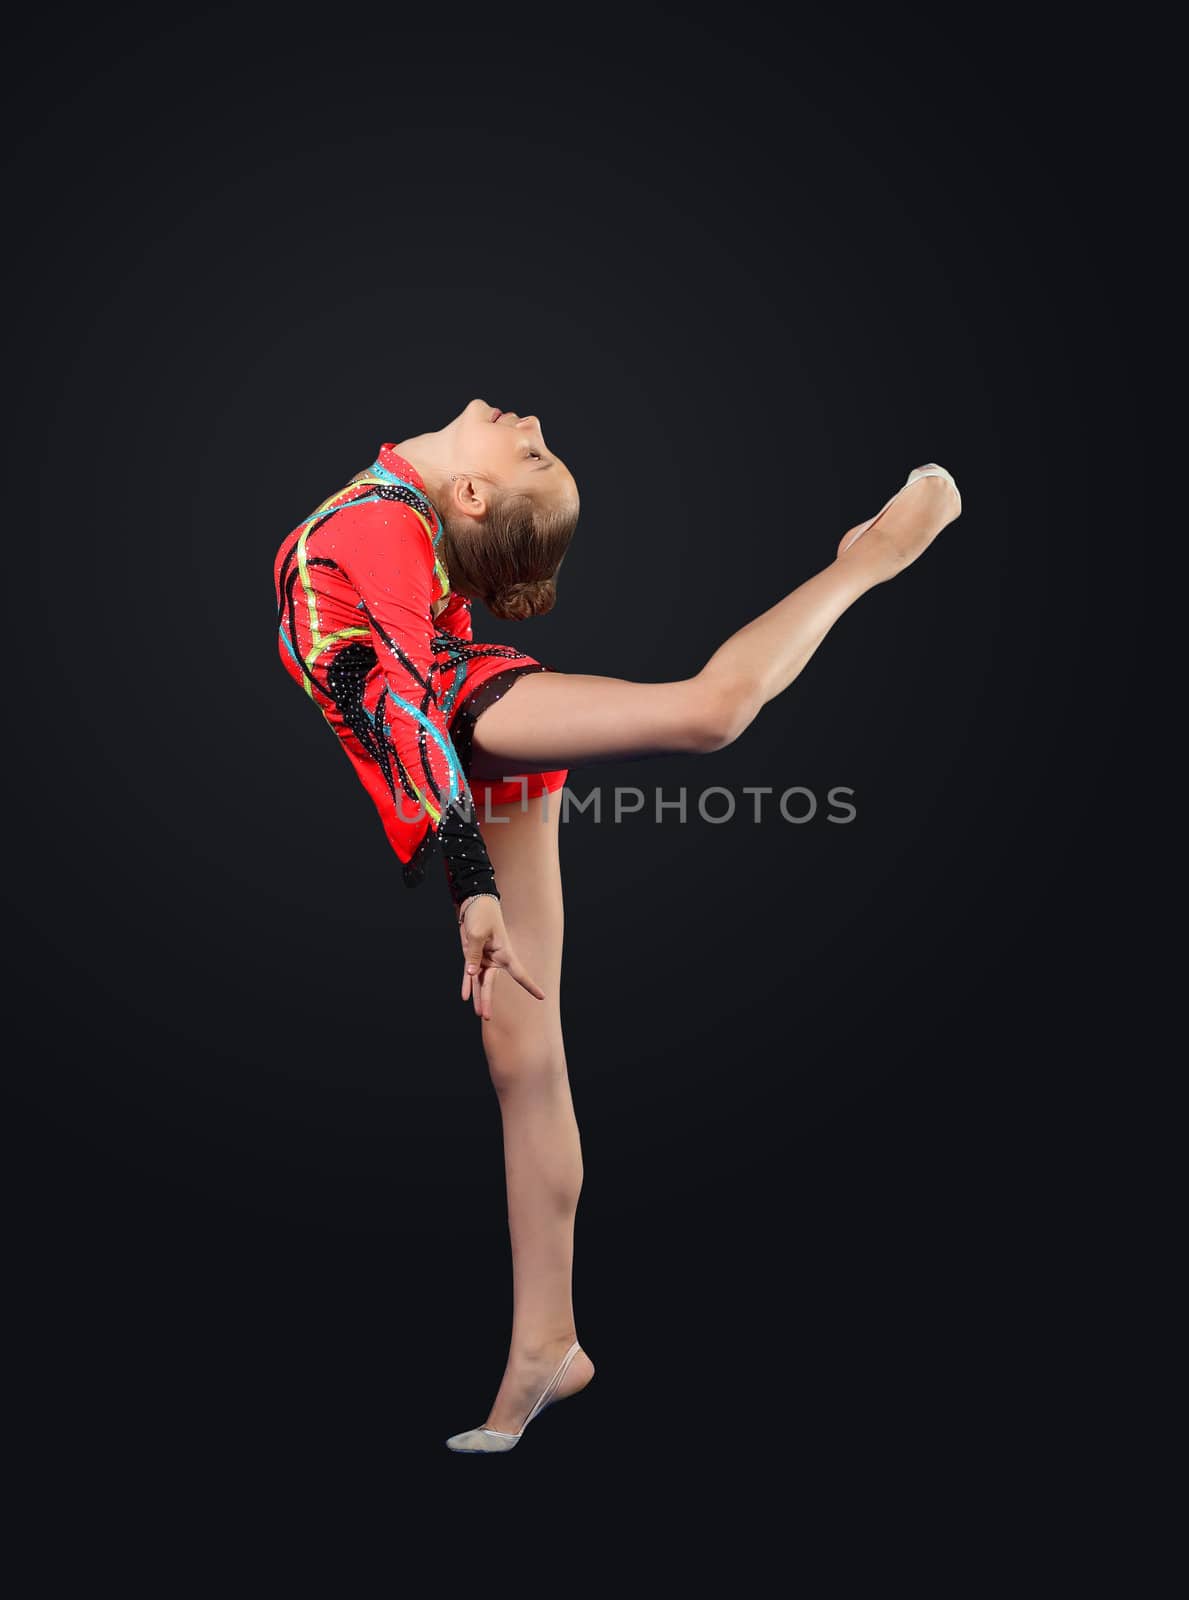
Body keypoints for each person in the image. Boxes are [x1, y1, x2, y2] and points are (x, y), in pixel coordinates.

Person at [273, 396, 962, 1453]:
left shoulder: (381, 519)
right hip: (455, 736)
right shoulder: (397, 512)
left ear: (469, 492)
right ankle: (546, 1345)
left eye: (530, 448)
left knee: (708, 712)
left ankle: (870, 556)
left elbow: (408, 697)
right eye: (538, 444)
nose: (529, 416)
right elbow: (389, 669)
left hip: (466, 717)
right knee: (524, 1058)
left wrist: (472, 880)